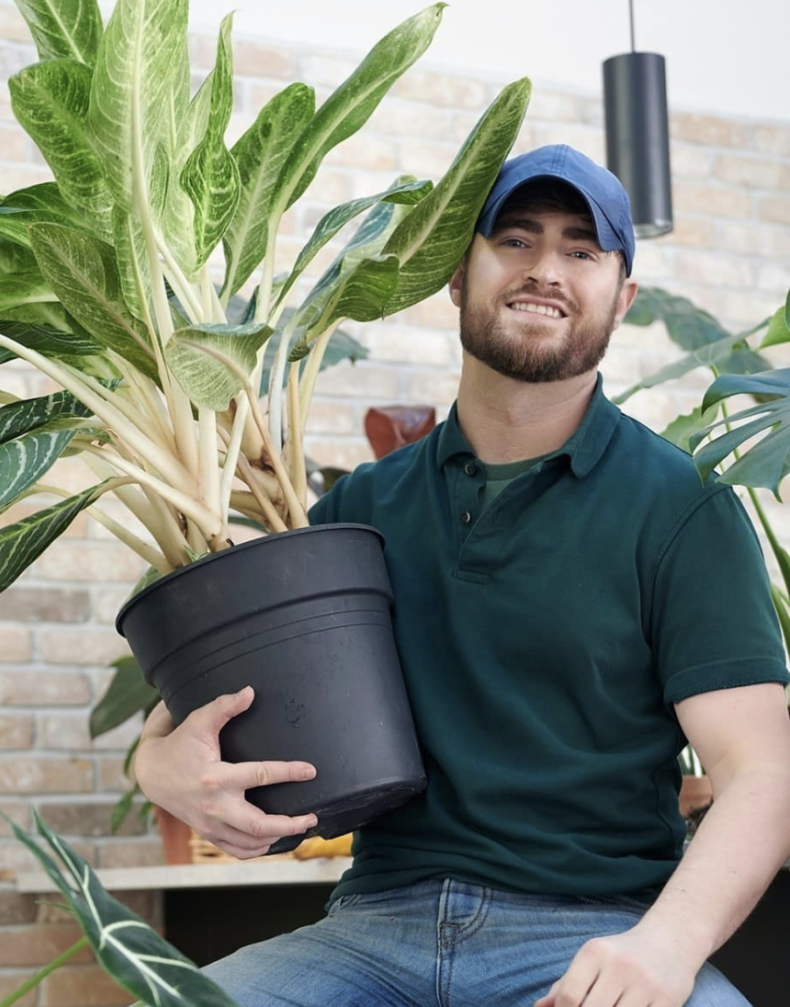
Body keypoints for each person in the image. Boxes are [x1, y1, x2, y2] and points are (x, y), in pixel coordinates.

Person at [135, 144, 790, 1007]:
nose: (545, 270)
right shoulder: (356, 510)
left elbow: (762, 774)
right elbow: (173, 724)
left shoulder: (682, 509)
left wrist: (665, 950)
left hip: (595, 932)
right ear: (457, 274)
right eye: (515, 240)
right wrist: (162, 771)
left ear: (622, 298)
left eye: (581, 251)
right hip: (371, 931)